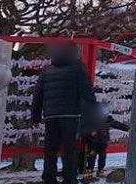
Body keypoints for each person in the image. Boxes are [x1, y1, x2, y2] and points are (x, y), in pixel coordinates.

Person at [30, 42, 96, 184]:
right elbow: (87, 91)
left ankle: (49, 177)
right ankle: (69, 178)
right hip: (71, 115)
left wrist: (35, 115)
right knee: (69, 149)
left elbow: (38, 94)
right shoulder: (78, 67)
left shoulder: (47, 70)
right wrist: (93, 112)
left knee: (50, 149)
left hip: (51, 115)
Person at [80, 102, 130, 177]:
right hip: (93, 141)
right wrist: (89, 133)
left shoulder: (108, 120)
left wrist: (127, 128)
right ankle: (90, 168)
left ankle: (100, 169)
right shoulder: (92, 120)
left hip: (103, 141)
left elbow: (117, 124)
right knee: (92, 155)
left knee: (102, 155)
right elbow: (87, 127)